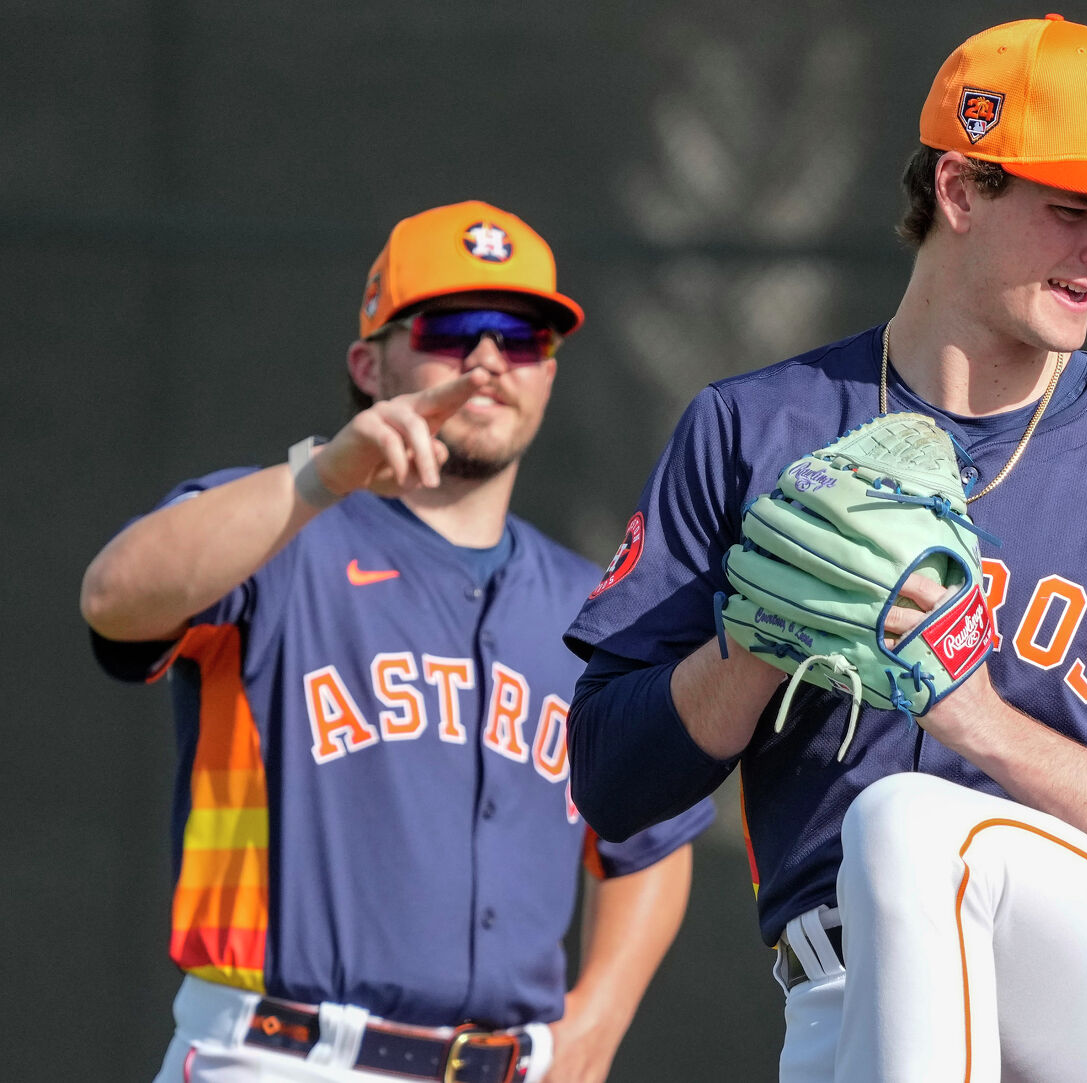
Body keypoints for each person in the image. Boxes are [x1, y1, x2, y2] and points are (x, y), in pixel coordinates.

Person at [564, 15, 1087, 1082]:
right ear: (959, 191)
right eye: (1073, 209)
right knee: (897, 855)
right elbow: (608, 781)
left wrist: (981, 725)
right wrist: (751, 653)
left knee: (912, 824)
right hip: (845, 998)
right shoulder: (752, 431)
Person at [81, 200, 714, 1083]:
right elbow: (114, 599)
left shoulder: (592, 605)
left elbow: (654, 833)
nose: (490, 359)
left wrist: (601, 1011)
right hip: (283, 1055)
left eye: (526, 337)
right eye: (456, 329)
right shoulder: (278, 535)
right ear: (369, 364)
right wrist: (316, 473)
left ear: (550, 373)